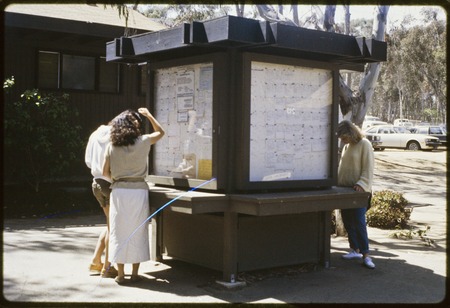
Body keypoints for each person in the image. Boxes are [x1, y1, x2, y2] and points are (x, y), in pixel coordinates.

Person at [103, 108, 165, 284]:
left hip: (119, 192)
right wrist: (149, 115)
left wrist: (117, 179)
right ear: (135, 126)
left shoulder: (112, 146)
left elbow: (104, 172)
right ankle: (135, 273)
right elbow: (161, 132)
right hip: (139, 191)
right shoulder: (144, 141)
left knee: (119, 231)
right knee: (138, 230)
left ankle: (120, 274)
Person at [337, 120, 375, 269]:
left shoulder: (365, 144)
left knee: (359, 222)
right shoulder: (347, 146)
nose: (342, 140)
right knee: (347, 220)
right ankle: (355, 249)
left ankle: (366, 255)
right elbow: (343, 168)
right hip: (345, 191)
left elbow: (368, 167)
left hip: (359, 192)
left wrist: (362, 184)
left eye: (344, 137)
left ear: (350, 133)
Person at [85, 124, 118, 278]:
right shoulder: (115, 136)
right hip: (110, 183)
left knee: (109, 224)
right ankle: (108, 267)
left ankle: (96, 261)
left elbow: (88, 162)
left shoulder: (93, 135)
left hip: (96, 182)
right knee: (113, 227)